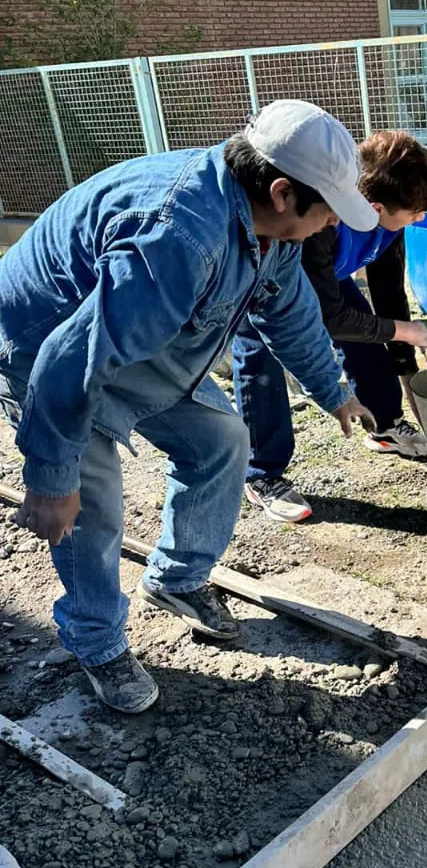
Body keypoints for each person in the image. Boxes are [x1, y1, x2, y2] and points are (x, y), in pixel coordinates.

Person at [0, 100, 377, 714]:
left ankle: (176, 578)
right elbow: (71, 361)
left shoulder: (266, 226)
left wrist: (334, 391)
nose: (334, 223)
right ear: (283, 192)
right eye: (329, 207)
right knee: (85, 503)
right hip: (49, 346)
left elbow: (290, 311)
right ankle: (97, 643)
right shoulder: (179, 236)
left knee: (221, 440)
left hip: (130, 336)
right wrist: (48, 477)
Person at [233, 130, 427, 524]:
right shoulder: (321, 226)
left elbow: (389, 294)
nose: (421, 219)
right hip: (271, 279)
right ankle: (261, 473)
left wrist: (404, 357)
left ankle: (383, 425)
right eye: (415, 212)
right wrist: (406, 331)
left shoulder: (389, 227)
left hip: (332, 277)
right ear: (376, 206)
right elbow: (329, 319)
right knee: (259, 360)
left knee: (367, 331)